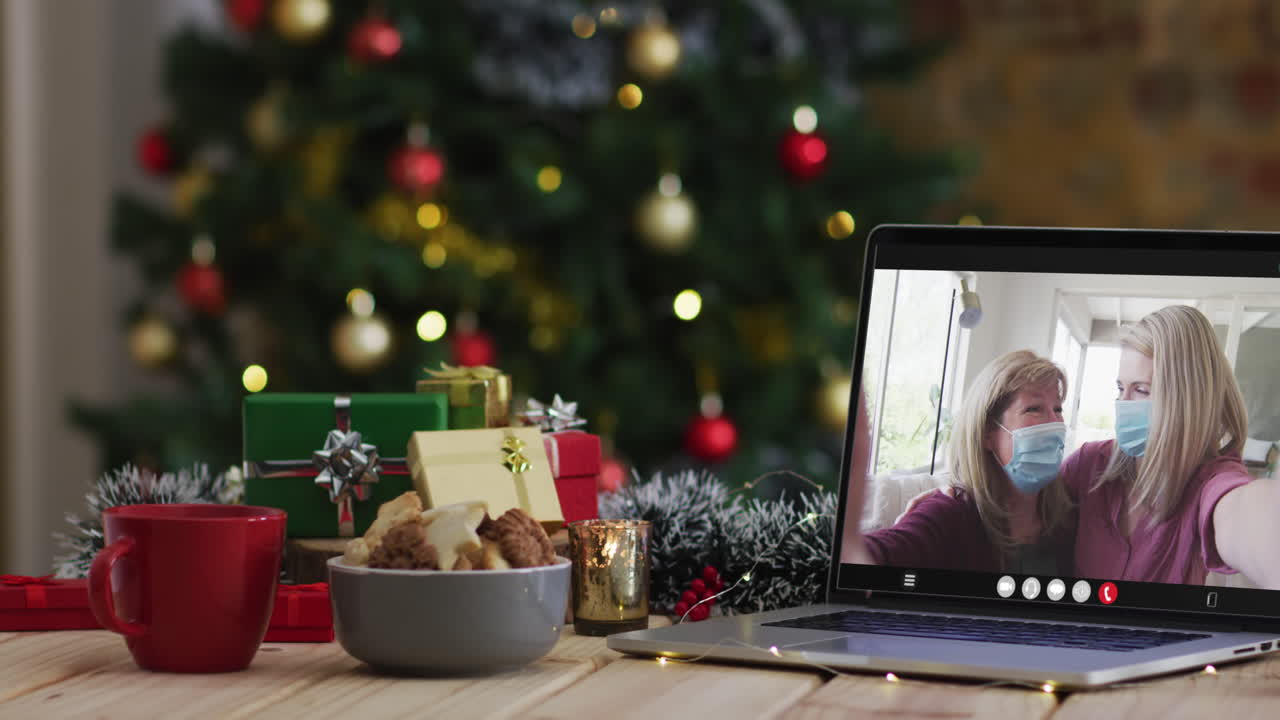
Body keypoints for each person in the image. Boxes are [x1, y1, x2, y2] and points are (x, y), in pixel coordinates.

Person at [1060, 305, 1280, 588]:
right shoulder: (1089, 463)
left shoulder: (1209, 484)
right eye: (1120, 388)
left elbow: (1250, 514)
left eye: (1141, 390)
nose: (1122, 404)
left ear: (1187, 399)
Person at [843, 350, 1075, 574]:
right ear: (987, 433)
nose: (1054, 422)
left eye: (1058, 408)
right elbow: (876, 553)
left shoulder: (1070, 517)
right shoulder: (949, 513)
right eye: (1034, 409)